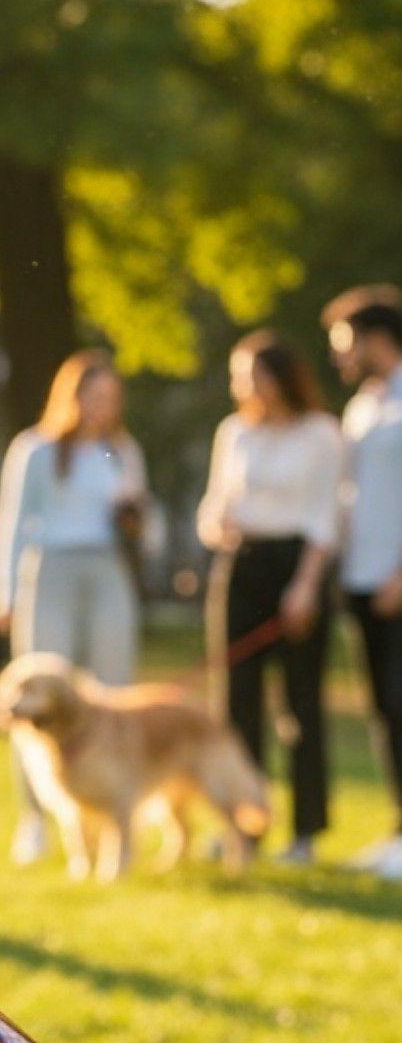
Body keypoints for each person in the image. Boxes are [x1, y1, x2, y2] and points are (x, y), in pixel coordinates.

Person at [0, 350, 147, 861]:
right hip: (50, 570)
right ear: (71, 396)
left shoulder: (120, 452)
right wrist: (3, 589)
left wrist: (135, 517)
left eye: (110, 399)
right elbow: (12, 521)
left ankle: (112, 817)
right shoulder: (34, 449)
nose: (102, 408)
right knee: (35, 696)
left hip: (106, 571)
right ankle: (35, 818)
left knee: (112, 694)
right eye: (93, 397)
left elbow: (143, 520)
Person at [198, 331, 343, 865]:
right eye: (239, 376)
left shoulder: (322, 435)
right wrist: (217, 526)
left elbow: (326, 519)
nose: (243, 385)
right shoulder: (234, 433)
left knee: (300, 706)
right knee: (236, 705)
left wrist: (306, 587)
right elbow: (212, 507)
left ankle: (305, 832)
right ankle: (243, 827)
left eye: (252, 373)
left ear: (281, 376)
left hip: (299, 566)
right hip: (241, 567)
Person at [324, 286, 402, 878]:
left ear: (377, 338)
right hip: (361, 579)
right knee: (383, 709)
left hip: (396, 580)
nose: (338, 357)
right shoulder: (363, 407)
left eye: (345, 343)